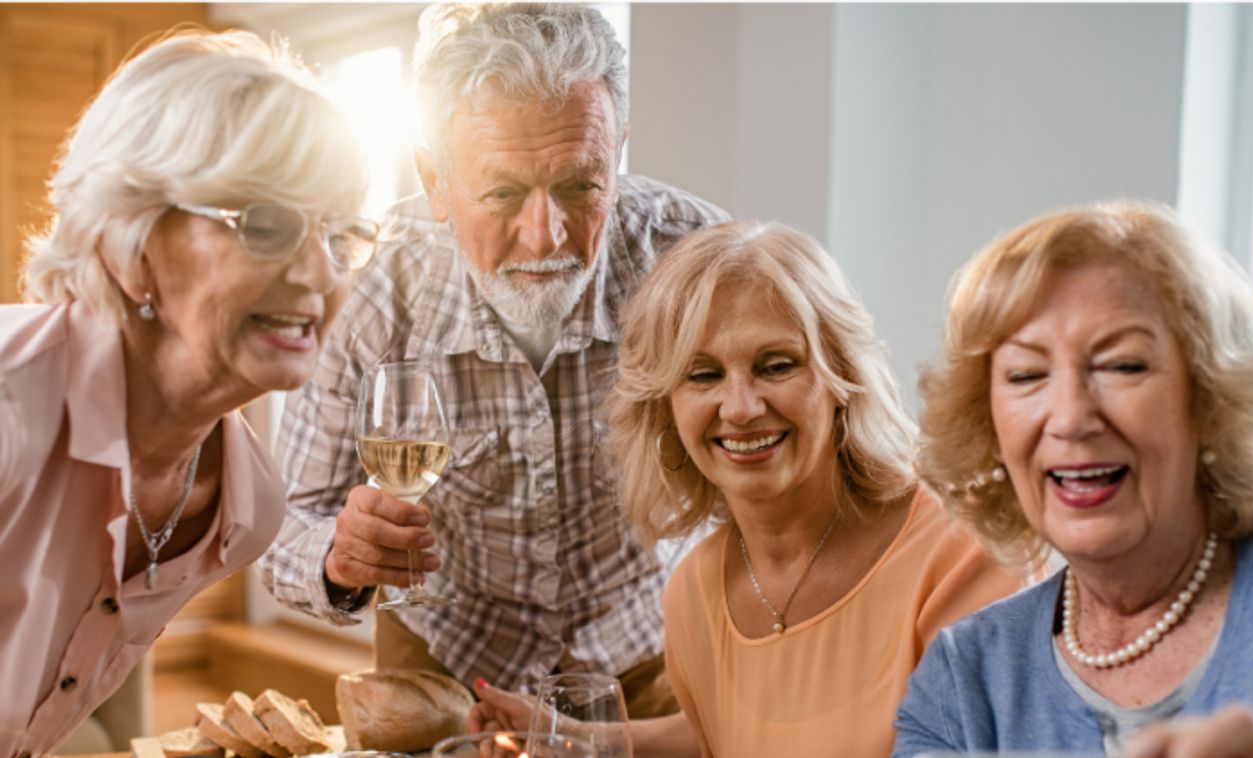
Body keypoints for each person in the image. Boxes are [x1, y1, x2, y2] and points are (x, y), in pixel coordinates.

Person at [260, 3, 727, 715]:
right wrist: (337, 556)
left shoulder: (692, 256)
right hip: (444, 655)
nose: (544, 236)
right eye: (503, 191)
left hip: (646, 648)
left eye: (580, 184)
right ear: (435, 178)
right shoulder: (366, 285)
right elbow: (282, 525)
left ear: (617, 150)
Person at [472, 220, 1022, 756]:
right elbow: (725, 736)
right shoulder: (695, 592)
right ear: (665, 408)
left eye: (776, 366)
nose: (740, 408)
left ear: (841, 378)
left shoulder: (959, 551)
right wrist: (580, 739)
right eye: (703, 375)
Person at [0, 30, 374, 755]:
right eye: (264, 223)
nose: (316, 273)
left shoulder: (245, 506)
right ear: (128, 241)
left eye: (338, 233)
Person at [893, 201, 1253, 758]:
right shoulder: (965, 681)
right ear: (989, 428)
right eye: (1027, 375)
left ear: (1209, 399)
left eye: (1122, 366)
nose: (1071, 418)